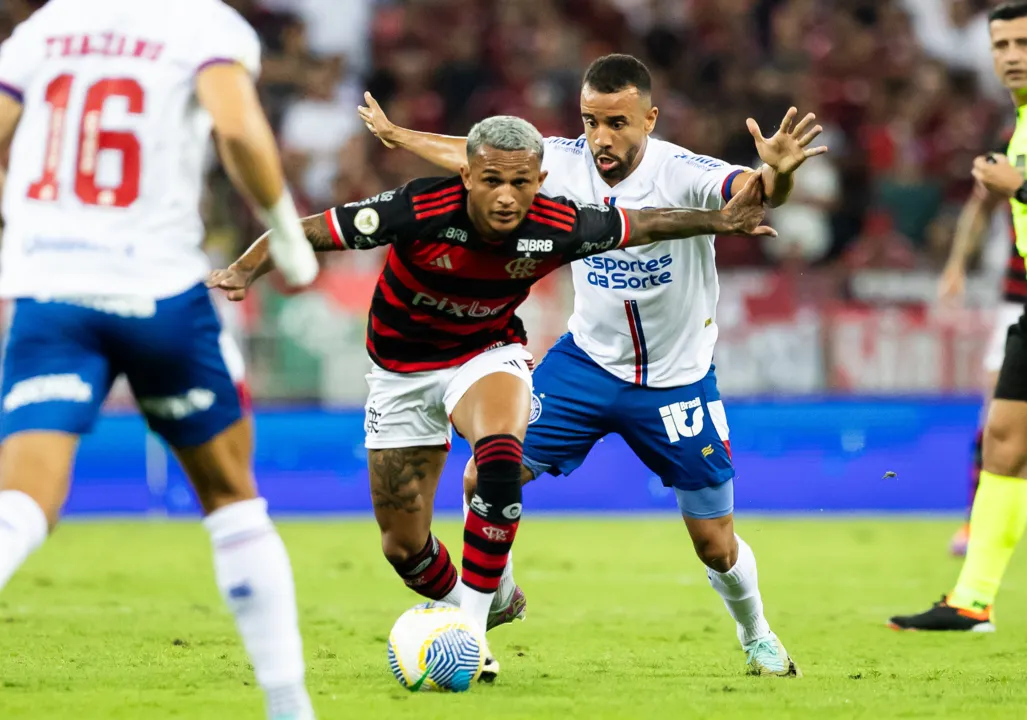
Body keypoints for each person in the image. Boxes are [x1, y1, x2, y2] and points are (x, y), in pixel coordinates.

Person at [208, 114, 777, 679]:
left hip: (487, 352)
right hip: (401, 373)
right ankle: (481, 604)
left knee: (498, 459)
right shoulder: (417, 210)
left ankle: (471, 636)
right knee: (403, 548)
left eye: (521, 183)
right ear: (467, 175)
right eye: (492, 182)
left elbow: (646, 223)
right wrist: (244, 269)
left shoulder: (558, 223)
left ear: (538, 179)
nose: (507, 198)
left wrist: (723, 222)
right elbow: (308, 229)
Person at [358, 54, 827, 676]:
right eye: (589, 121)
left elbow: (750, 193)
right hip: (584, 367)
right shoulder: (563, 163)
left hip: (676, 383)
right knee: (483, 479)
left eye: (616, 122)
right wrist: (399, 137)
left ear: (649, 119)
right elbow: (478, 160)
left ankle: (757, 634)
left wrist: (778, 174)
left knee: (715, 544)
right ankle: (491, 598)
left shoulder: (681, 170)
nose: (600, 137)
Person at [0, 1, 319, 717]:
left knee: (19, 503)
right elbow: (237, 126)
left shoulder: (46, 28)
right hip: (159, 294)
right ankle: (289, 706)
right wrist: (285, 235)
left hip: (50, 293)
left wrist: (23, 220)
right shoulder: (203, 24)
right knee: (233, 500)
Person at [891, 0, 1027, 632]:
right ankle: (973, 600)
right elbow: (989, 197)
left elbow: (1009, 190)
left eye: (1023, 43)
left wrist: (1018, 188)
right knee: (1002, 438)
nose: (1012, 57)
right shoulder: (1019, 128)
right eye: (1001, 46)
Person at [938, 176, 1026, 558]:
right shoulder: (1015, 141)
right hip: (1017, 299)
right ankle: (977, 521)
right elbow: (980, 206)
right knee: (996, 416)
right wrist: (957, 264)